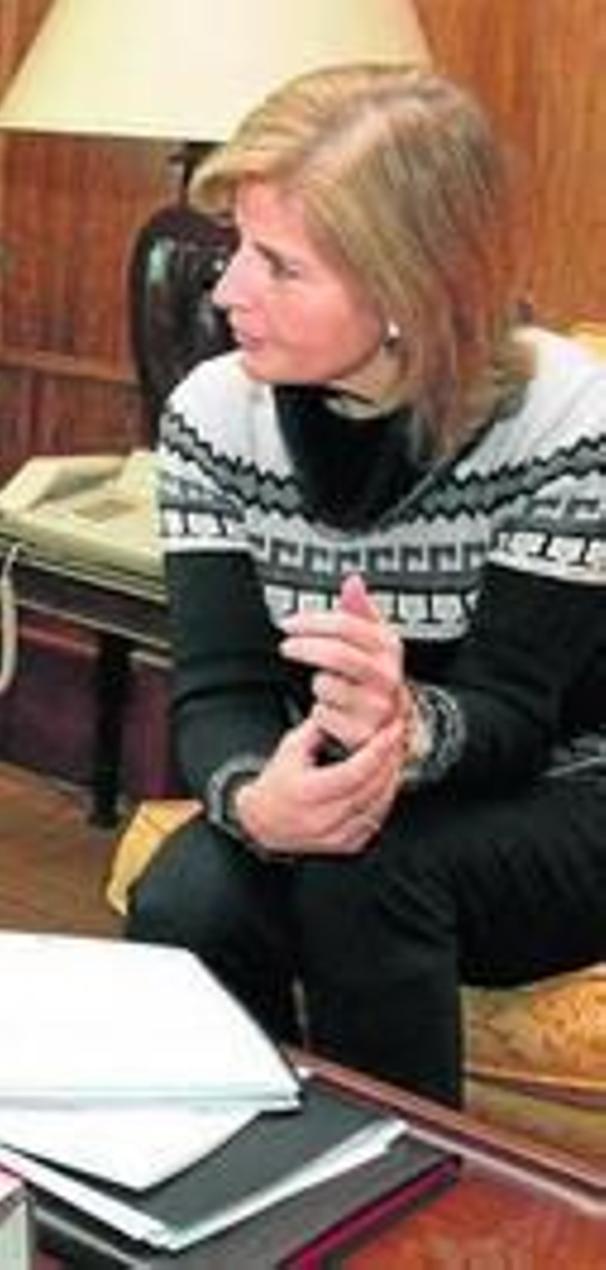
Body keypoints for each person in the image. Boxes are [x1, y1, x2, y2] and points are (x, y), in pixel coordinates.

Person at [124, 63, 606, 1107]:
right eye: (238, 248)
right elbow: (218, 687)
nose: (225, 291)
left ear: (404, 290)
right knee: (183, 902)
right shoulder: (214, 415)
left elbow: (519, 716)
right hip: (347, 788)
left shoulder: (567, 420)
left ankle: (400, 1210)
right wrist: (255, 799)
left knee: (365, 877)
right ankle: (233, 1201)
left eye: (279, 266)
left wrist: (405, 724)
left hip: (566, 792)